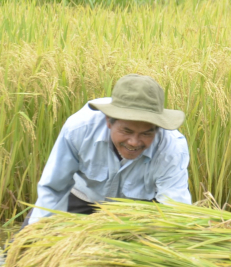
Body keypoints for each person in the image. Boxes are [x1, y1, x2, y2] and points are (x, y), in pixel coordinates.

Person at [26, 74, 192, 226]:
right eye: (126, 131)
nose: (134, 142)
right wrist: (37, 233)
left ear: (157, 129)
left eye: (146, 134)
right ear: (109, 121)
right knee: (21, 249)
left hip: (138, 212)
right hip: (82, 198)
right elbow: (54, 188)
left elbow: (174, 208)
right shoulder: (80, 129)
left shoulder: (171, 147)